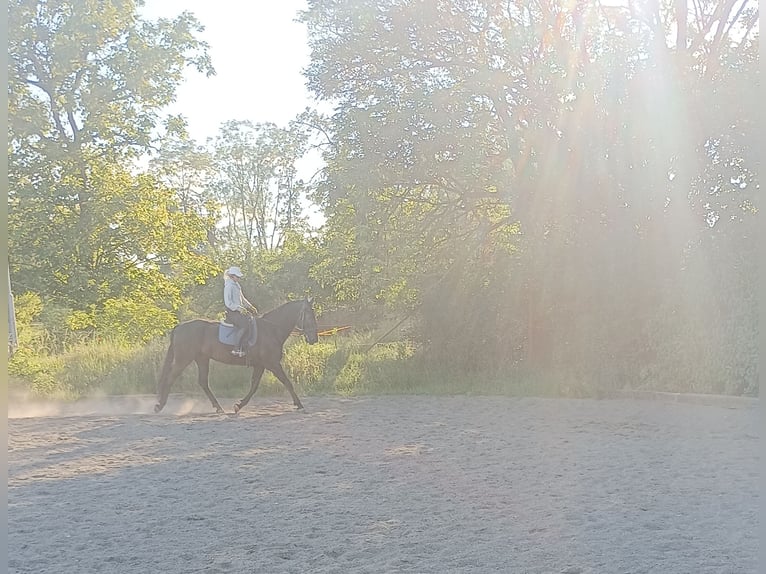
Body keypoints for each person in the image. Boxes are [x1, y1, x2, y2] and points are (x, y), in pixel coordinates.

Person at [223, 266, 258, 356]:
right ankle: (236, 349)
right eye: (237, 277)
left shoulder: (237, 285)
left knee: (251, 321)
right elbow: (228, 303)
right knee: (244, 325)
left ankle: (246, 346)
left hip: (239, 311)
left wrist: (250, 306)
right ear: (232, 276)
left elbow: (242, 299)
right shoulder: (229, 286)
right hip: (232, 312)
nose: (239, 278)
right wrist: (240, 308)